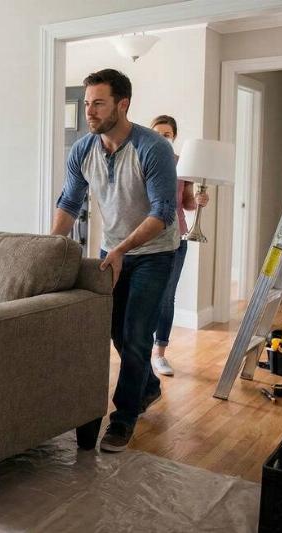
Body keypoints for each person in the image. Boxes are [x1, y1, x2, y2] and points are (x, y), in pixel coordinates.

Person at [51, 69, 178, 452]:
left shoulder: (153, 147)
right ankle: (150, 387)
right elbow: (70, 203)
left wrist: (122, 249)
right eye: (87, 103)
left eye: (98, 103)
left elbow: (164, 211)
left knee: (138, 335)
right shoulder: (83, 149)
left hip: (153, 254)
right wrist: (49, 247)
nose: (89, 111)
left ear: (123, 105)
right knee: (114, 331)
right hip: (112, 251)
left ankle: (123, 419)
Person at [150, 115, 209, 376]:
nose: (162, 138)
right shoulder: (142, 160)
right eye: (157, 133)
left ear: (173, 137)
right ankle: (137, 351)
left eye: (167, 134)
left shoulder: (180, 165)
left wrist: (198, 200)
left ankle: (159, 354)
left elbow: (186, 203)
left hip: (176, 239)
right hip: (146, 239)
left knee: (166, 297)